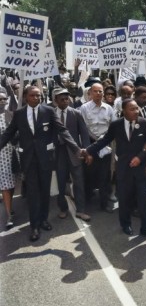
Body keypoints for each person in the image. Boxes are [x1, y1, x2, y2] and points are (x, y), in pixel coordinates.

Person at [0, 86, 81, 241]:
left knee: (45, 191)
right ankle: (34, 226)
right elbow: (8, 133)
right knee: (32, 193)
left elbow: (62, 130)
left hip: (45, 159)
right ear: (25, 97)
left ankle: (43, 219)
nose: (37, 98)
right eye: (33, 95)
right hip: (28, 160)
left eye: (39, 95)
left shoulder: (48, 111)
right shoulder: (19, 114)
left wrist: (76, 148)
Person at [84, 99, 146, 239]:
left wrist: (140, 157)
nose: (136, 111)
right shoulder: (116, 125)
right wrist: (88, 151)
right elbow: (104, 140)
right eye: (132, 109)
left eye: (137, 108)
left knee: (143, 199)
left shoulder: (145, 124)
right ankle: (126, 225)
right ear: (123, 110)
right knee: (124, 199)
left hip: (140, 169)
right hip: (123, 169)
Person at [53, 88, 91, 222]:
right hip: (59, 153)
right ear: (55, 100)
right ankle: (63, 208)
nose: (65, 101)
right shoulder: (51, 114)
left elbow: (84, 134)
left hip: (75, 153)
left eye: (67, 99)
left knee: (79, 182)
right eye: (62, 99)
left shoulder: (76, 113)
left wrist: (86, 151)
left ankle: (81, 210)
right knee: (61, 183)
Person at [79, 82, 117, 213]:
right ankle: (87, 199)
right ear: (90, 93)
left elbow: (113, 126)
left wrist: (105, 141)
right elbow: (82, 129)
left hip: (106, 145)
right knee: (89, 174)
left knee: (105, 176)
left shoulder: (109, 108)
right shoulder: (84, 108)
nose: (98, 94)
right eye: (95, 91)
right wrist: (87, 149)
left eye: (101, 91)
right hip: (90, 145)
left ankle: (104, 203)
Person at [0, 87, 16, 230]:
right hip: (1, 156)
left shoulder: (10, 114)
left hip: (14, 153)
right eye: (0, 99)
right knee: (5, 185)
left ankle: (10, 204)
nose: (3, 101)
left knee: (12, 184)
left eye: (5, 99)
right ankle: (9, 215)